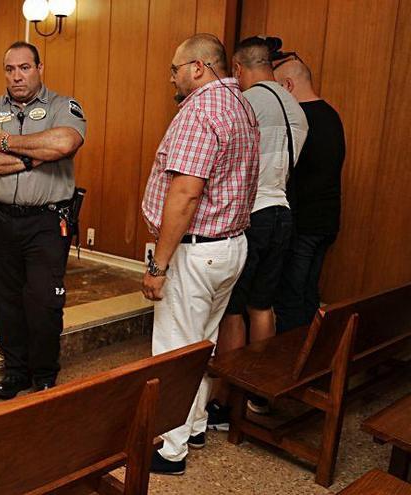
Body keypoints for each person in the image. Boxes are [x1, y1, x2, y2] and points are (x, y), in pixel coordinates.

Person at [140, 33, 258, 475]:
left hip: (196, 252)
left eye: (175, 68)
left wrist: (159, 264)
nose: (171, 76)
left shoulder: (201, 110)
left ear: (197, 68)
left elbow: (186, 193)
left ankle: (170, 450)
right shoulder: (240, 104)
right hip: (231, 247)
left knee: (174, 351)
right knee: (202, 344)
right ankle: (194, 425)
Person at [0, 41, 85, 400]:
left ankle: (45, 373)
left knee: (44, 301)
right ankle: (16, 371)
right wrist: (31, 158)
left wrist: (5, 144)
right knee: (3, 300)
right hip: (0, 221)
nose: (17, 76)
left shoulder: (63, 106)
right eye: (10, 69)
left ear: (39, 67)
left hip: (47, 223)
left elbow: (63, 144)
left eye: (24, 67)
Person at [210, 36, 309, 422]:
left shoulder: (246, 103)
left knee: (233, 311)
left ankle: (223, 400)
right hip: (283, 212)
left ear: (237, 68)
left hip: (252, 215)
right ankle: (259, 393)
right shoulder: (295, 107)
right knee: (262, 305)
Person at [272, 57, 345, 333]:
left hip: (303, 223)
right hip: (327, 221)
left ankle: (290, 367)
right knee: (308, 294)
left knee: (290, 297)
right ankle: (311, 360)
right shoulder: (331, 114)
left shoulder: (301, 120)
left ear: (288, 85)